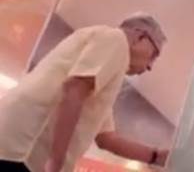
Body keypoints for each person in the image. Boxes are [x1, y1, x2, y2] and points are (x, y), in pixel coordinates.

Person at [0, 13, 169, 172]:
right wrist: (56, 161)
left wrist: (156, 156)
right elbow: (75, 89)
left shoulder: (101, 79)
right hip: (22, 150)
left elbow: (106, 139)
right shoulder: (117, 40)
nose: (150, 66)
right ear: (140, 36)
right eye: (154, 55)